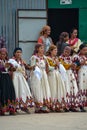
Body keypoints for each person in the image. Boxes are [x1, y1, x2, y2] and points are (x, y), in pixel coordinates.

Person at [8, 47, 35, 113]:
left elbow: (27, 67)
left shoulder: (22, 61)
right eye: (17, 52)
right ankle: (14, 108)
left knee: (24, 91)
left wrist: (32, 67)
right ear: (14, 53)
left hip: (21, 78)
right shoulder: (11, 60)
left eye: (20, 52)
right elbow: (9, 68)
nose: (19, 54)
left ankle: (24, 106)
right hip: (15, 77)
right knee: (16, 91)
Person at [30, 44, 51, 113]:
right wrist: (35, 65)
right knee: (37, 89)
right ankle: (38, 107)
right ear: (37, 49)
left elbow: (48, 67)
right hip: (37, 75)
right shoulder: (34, 57)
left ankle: (44, 107)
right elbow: (31, 67)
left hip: (43, 74)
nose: (42, 49)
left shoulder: (45, 58)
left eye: (43, 48)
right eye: (41, 48)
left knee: (44, 89)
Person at [46, 45, 67, 112]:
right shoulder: (47, 58)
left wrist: (59, 65)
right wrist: (55, 65)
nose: (56, 52)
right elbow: (48, 68)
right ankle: (51, 105)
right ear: (50, 51)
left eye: (56, 50)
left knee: (59, 89)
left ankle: (57, 105)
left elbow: (62, 65)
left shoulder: (57, 58)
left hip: (57, 74)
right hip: (51, 75)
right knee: (53, 89)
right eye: (55, 50)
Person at [59, 46, 79, 112]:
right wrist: (70, 65)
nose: (67, 52)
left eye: (68, 52)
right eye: (65, 50)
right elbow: (62, 66)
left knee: (73, 89)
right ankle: (66, 106)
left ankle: (72, 105)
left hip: (70, 74)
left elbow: (74, 66)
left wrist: (74, 66)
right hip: (64, 74)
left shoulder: (71, 58)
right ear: (63, 50)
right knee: (66, 88)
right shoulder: (60, 58)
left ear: (70, 52)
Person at [0, 48, 16, 115]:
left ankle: (11, 108)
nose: (3, 55)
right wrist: (4, 66)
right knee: (2, 92)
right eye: (2, 54)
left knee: (9, 91)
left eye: (5, 54)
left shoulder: (8, 61)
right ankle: (2, 109)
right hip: (1, 78)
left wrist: (12, 68)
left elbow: (10, 69)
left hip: (7, 78)